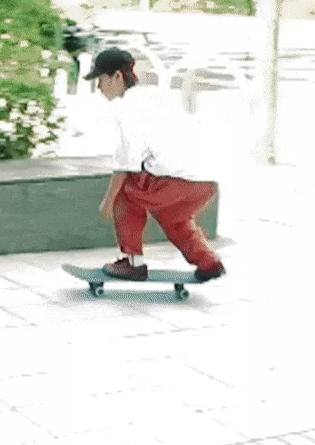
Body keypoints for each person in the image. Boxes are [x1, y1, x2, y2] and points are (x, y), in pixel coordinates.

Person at [83, 47, 226, 283]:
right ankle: (208, 263)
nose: (98, 87)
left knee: (126, 192)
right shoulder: (156, 95)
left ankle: (132, 262)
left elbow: (126, 163)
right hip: (207, 180)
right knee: (175, 220)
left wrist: (109, 202)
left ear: (117, 77)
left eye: (101, 79)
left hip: (178, 180)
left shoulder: (125, 107)